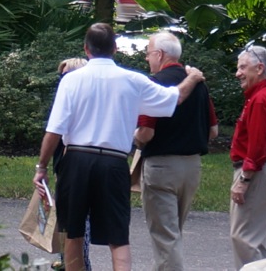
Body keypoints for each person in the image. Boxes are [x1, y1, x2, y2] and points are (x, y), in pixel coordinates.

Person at [33, 23, 206, 271]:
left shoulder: (71, 80)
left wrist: (42, 166)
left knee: (73, 231)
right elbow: (174, 98)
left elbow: (54, 130)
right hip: (113, 162)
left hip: (77, 160)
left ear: (86, 49)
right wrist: (192, 77)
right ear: (115, 48)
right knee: (118, 236)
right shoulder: (133, 80)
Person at [134, 32, 219, 271]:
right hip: (191, 168)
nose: (147, 59)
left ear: (159, 55)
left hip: (162, 168)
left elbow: (145, 133)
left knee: (166, 238)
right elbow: (213, 131)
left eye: (148, 54)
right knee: (173, 234)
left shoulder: (154, 84)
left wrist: (133, 138)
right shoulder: (199, 84)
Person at [229, 45, 266, 270]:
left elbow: (257, 147)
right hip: (262, 172)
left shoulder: (261, 100)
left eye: (243, 67)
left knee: (245, 239)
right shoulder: (261, 97)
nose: (238, 73)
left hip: (256, 173)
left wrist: (244, 181)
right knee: (255, 239)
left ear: (259, 68)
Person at [51, 58, 90, 271]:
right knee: (65, 222)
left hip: (76, 167)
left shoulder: (80, 103)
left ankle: (78, 264)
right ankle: (67, 263)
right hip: (64, 167)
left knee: (77, 224)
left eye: (66, 76)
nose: (62, 81)